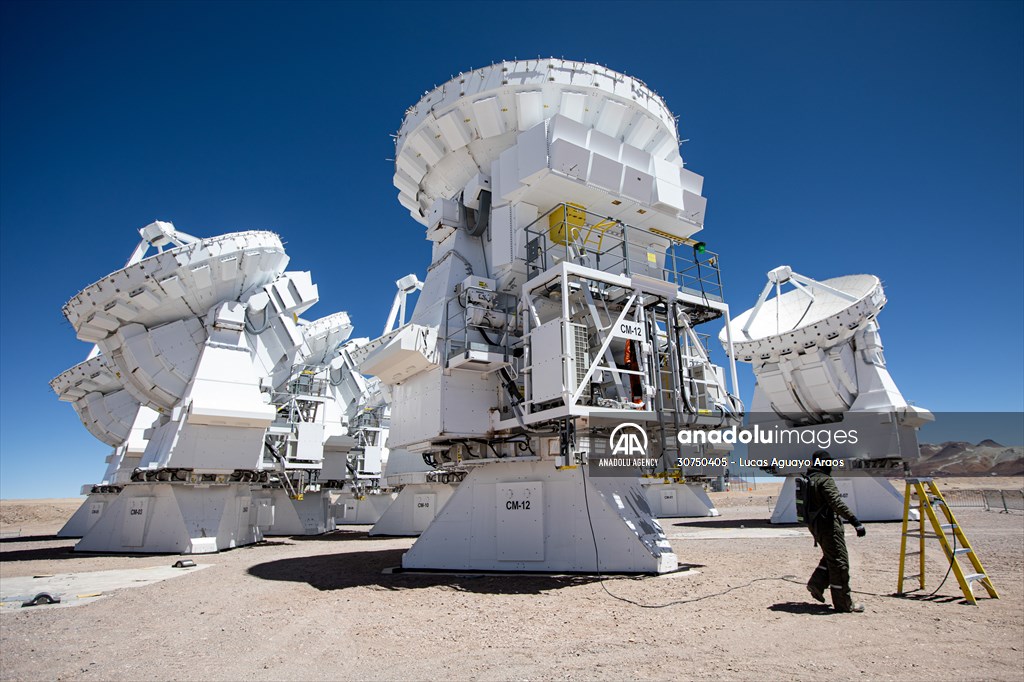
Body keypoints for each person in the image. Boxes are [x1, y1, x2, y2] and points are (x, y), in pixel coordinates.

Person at [804, 452, 867, 613]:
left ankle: (816, 584)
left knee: (831, 557)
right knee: (839, 563)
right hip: (828, 526)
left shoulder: (809, 479)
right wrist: (855, 521)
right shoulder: (824, 480)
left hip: (816, 526)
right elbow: (835, 503)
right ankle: (844, 604)